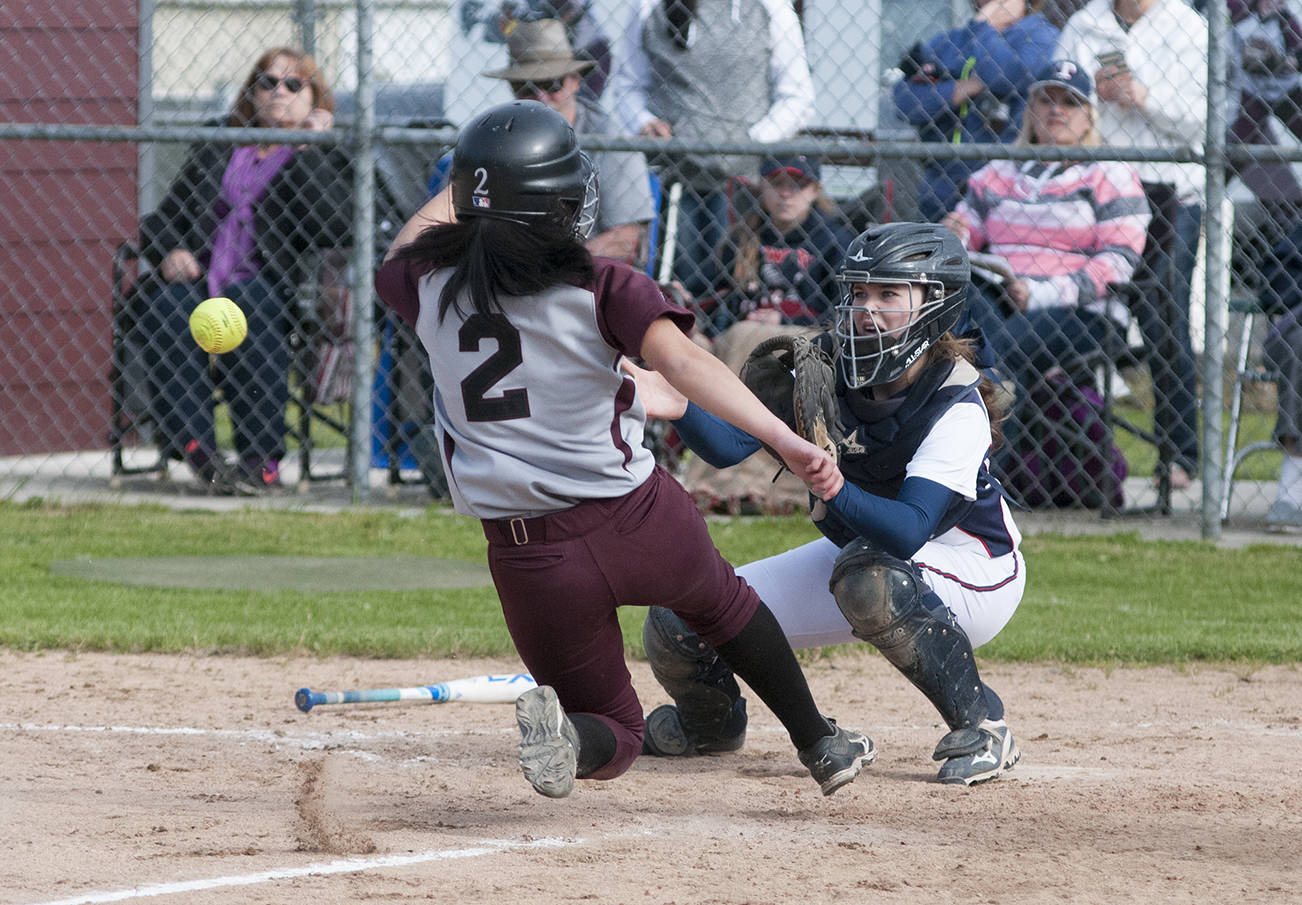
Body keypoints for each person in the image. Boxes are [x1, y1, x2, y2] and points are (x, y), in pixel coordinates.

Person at [373, 100, 874, 799]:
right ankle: (819, 740)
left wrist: (477, 178)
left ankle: (573, 739)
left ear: (469, 201)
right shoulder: (602, 285)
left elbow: (408, 244)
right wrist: (783, 438)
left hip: (529, 551)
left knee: (617, 729)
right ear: (558, 209)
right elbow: (690, 366)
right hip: (636, 518)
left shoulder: (427, 287)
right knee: (724, 604)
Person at [623, 222, 1027, 786]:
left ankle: (982, 723)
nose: (867, 309)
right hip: (862, 560)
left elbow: (909, 531)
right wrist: (679, 405)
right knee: (684, 614)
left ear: (936, 304)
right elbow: (728, 446)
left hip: (970, 569)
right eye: (859, 293)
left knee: (871, 577)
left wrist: (834, 488)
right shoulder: (825, 366)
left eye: (889, 294)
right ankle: (709, 724)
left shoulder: (954, 402)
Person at [137, 47, 353, 494]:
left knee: (249, 307)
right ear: (251, 94)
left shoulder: (326, 153)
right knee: (167, 308)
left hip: (271, 284)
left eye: (294, 84)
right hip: (200, 277)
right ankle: (200, 452)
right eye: (268, 82)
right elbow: (162, 218)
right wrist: (171, 251)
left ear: (315, 99)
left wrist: (308, 146)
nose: (279, 91)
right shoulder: (221, 141)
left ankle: (261, 461)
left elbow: (335, 224)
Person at [940, 60, 1150, 494]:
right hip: (999, 300)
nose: (1057, 110)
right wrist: (955, 234)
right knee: (961, 318)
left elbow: (1119, 262)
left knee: (996, 347)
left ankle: (983, 483)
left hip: (1080, 312)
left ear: (1089, 114)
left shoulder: (1109, 173)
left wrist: (1040, 292)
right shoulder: (1000, 170)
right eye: (1046, 99)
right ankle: (948, 469)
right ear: (1029, 109)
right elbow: (964, 234)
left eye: (1070, 102)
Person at [1056, 0, 1208, 490]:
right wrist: (1092, 100)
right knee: (1078, 314)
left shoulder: (1188, 25)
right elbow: (1054, 102)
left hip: (1170, 191)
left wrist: (1143, 95)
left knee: (1164, 318)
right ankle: (1066, 450)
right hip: (1096, 189)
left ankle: (1179, 454)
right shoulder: (1084, 24)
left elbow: (1204, 121)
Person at [608, 0, 815, 296]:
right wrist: (644, 121)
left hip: (745, 183)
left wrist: (749, 140)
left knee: (733, 287)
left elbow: (798, 97)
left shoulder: (771, 7)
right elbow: (628, 85)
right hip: (675, 178)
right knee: (675, 285)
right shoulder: (647, 5)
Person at [427, 19, 654, 265]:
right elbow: (447, 226)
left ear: (575, 81)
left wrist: (551, 268)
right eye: (524, 86)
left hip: (576, 273)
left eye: (551, 83)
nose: (540, 97)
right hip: (500, 270)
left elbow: (627, 238)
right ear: (511, 88)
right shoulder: (490, 135)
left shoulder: (609, 139)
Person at [891, 0, 1059, 223]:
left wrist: (983, 27)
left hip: (1005, 182)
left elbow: (1004, 76)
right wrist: (958, 89)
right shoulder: (950, 41)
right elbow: (904, 101)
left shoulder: (1042, 36)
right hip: (942, 182)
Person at [701, 154, 855, 337]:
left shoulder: (836, 240)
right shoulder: (743, 235)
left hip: (808, 335)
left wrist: (785, 320)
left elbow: (846, 312)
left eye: (798, 185)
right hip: (744, 331)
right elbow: (709, 291)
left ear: (815, 191)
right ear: (762, 187)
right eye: (777, 183)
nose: (785, 193)